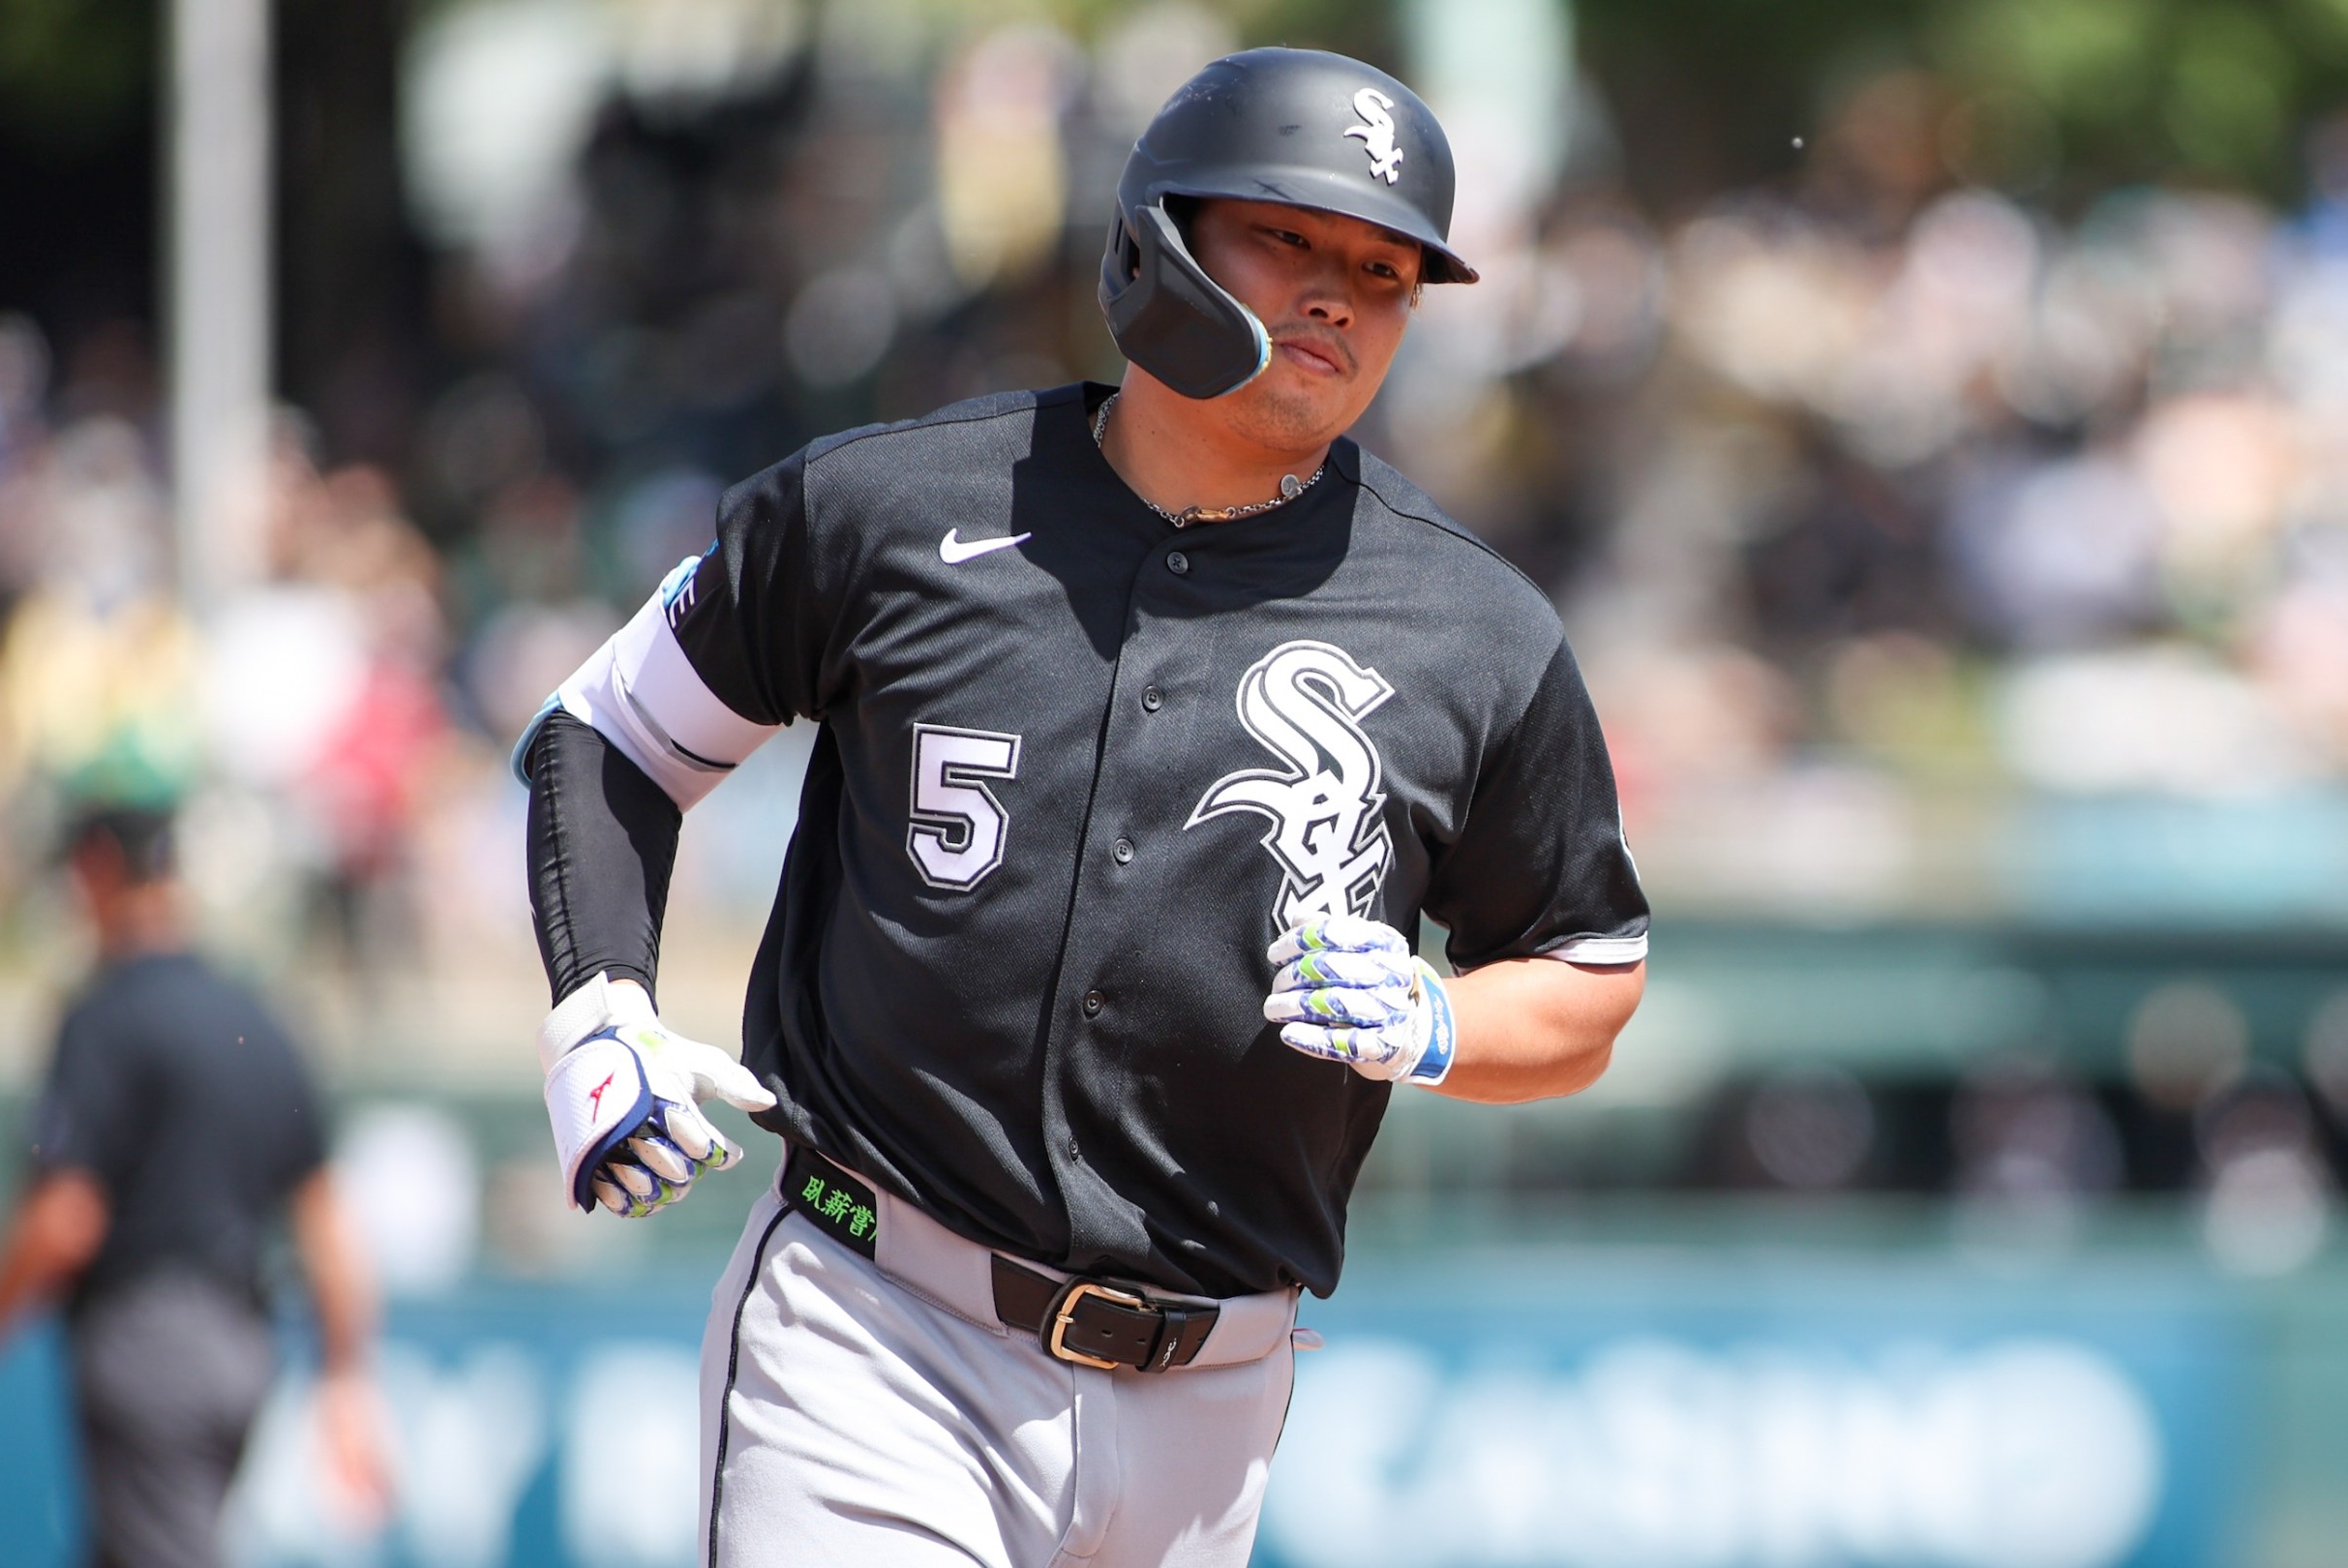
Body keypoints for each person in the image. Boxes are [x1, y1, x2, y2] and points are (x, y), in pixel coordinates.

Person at [516, 46, 1646, 1568]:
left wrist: (1444, 1022)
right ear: (1157, 240)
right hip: (879, 1330)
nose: (1337, 298)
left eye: (1384, 273)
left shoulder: (1475, 629)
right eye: (1289, 238)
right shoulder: (887, 510)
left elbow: (1589, 972)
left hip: (1213, 1397)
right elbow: (609, 732)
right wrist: (601, 998)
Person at [0, 804, 384, 1568]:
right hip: (241, 1344)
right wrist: (346, 1379)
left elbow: (64, 1220)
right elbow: (326, 1221)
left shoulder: (106, 1015)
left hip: (149, 1343)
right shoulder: (258, 1017)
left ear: (97, 869)